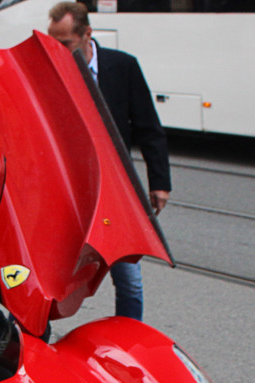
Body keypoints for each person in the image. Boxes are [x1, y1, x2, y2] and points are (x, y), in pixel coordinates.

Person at [47, 1, 170, 322]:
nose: (56, 50)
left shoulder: (123, 67)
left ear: (87, 34)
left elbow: (148, 128)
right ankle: (37, 342)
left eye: (65, 43)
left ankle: (128, 337)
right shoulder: (51, 71)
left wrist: (159, 183)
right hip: (67, 190)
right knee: (49, 275)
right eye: (52, 42)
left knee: (128, 278)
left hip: (114, 193)